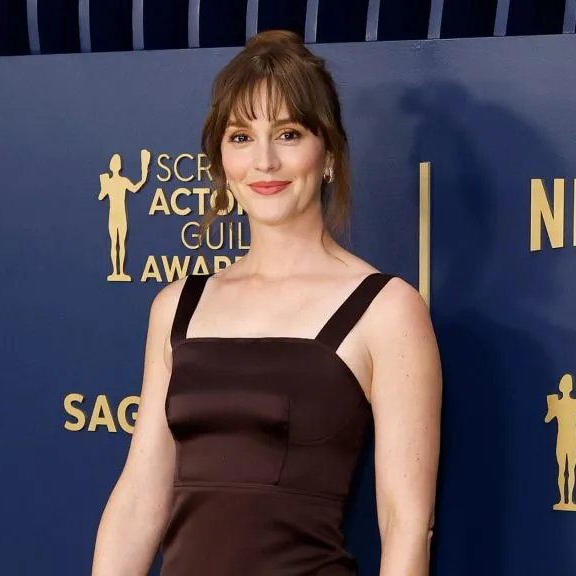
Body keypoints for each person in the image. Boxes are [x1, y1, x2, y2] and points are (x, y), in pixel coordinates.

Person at [91, 29, 442, 576]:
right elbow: (139, 498)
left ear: (327, 154)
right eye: (240, 137)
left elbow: (405, 523)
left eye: (288, 133)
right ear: (221, 162)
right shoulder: (177, 306)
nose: (265, 161)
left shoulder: (386, 309)